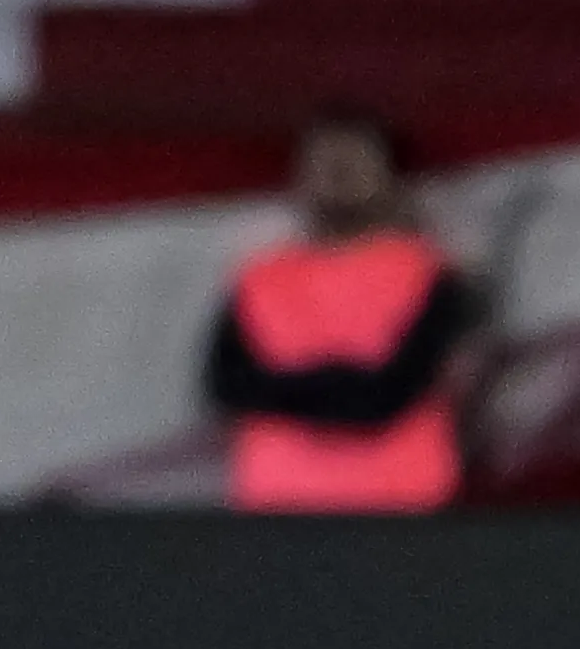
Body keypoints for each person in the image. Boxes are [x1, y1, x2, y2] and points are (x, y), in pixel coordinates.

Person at [202, 111, 479, 513]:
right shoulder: (258, 277)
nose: (338, 174)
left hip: (402, 507)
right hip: (277, 506)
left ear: (390, 177)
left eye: (354, 162)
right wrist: (340, 383)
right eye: (324, 162)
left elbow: (393, 390)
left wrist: (297, 391)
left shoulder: (434, 274)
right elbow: (226, 384)